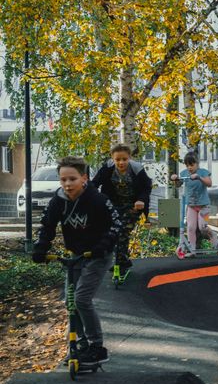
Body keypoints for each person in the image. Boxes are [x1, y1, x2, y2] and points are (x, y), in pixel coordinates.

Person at [32, 156, 122, 365]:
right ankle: (80, 343)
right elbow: (47, 226)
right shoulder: (58, 201)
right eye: (63, 179)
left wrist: (103, 246)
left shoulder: (97, 199)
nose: (67, 184)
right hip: (76, 255)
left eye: (72, 179)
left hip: (98, 255)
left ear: (84, 178)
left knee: (81, 299)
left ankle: (97, 347)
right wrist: (41, 248)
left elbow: (116, 225)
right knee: (70, 301)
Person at [91, 143, 152, 277]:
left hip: (132, 206)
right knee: (112, 233)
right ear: (112, 158)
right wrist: (92, 197)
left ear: (129, 157)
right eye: (117, 159)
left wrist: (141, 200)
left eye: (124, 159)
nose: (121, 162)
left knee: (123, 232)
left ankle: (120, 264)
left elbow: (147, 186)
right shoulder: (107, 168)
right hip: (113, 206)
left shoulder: (136, 169)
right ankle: (122, 260)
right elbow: (94, 184)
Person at [170, 151, 218, 255]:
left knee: (202, 227)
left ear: (197, 163)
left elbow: (209, 183)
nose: (189, 168)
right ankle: (192, 248)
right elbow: (178, 184)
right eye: (187, 165)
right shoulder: (184, 173)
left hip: (204, 207)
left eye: (191, 165)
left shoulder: (203, 172)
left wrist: (199, 178)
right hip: (191, 206)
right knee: (190, 228)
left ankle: (213, 235)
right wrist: (175, 179)